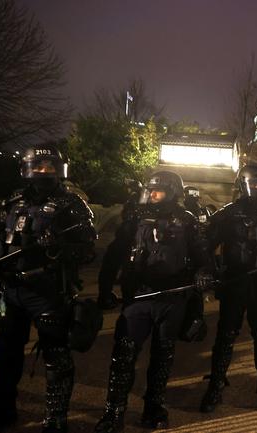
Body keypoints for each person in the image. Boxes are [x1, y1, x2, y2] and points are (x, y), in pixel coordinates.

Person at [0, 146, 96, 433]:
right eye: (38, 166)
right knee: (5, 353)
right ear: (28, 168)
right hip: (11, 288)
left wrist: (58, 247)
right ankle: (1, 410)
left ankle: (56, 419)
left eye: (50, 166)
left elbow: (89, 249)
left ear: (59, 169)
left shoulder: (71, 204)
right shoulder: (14, 201)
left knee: (56, 357)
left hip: (47, 291)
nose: (44, 171)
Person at [95, 171, 209, 433]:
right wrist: (104, 289)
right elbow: (114, 255)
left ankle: (154, 407)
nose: (152, 194)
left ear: (172, 193)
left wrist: (204, 273)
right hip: (138, 297)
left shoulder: (187, 221)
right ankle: (114, 412)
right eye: (151, 189)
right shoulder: (135, 218)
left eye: (158, 190)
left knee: (162, 357)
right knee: (124, 356)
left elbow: (203, 255)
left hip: (172, 299)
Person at [200, 164, 257, 413]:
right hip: (235, 283)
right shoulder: (228, 214)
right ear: (243, 185)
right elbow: (204, 245)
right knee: (226, 337)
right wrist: (207, 270)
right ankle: (216, 386)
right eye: (255, 185)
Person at [97, 179, 143, 310]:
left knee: (114, 270)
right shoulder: (136, 200)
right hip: (127, 240)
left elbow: (129, 221)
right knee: (116, 269)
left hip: (127, 240)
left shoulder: (135, 200)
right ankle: (111, 298)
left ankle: (108, 297)